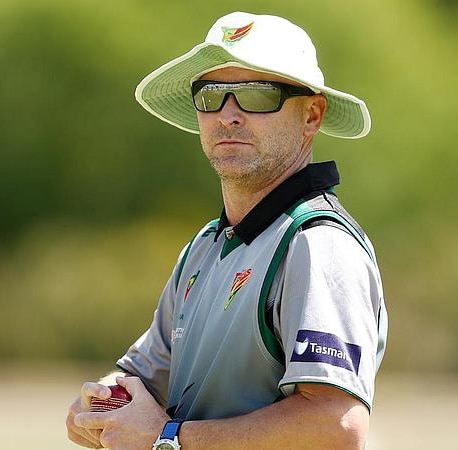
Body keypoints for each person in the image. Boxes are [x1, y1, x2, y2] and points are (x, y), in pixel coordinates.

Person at [66, 11, 387, 450]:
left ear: (312, 114)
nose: (228, 115)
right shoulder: (204, 247)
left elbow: (335, 426)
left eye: (257, 95)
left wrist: (169, 440)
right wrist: (101, 403)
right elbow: (142, 379)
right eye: (213, 94)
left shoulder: (318, 243)